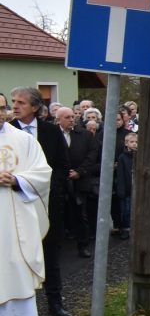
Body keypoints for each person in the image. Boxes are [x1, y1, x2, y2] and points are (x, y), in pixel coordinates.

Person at [8, 88, 72, 316]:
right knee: (17, 257)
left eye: (21, 102)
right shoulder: (8, 132)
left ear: (35, 107)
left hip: (47, 204)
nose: (15, 106)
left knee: (50, 255)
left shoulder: (51, 131)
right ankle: (22, 310)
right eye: (13, 102)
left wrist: (48, 192)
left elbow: (62, 165)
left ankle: (55, 303)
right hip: (13, 205)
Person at [0, 96, 52, 316]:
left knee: (15, 270)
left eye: (1, 107)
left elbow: (43, 173)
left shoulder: (24, 140)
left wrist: (18, 179)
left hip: (14, 220)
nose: (0, 113)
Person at [56, 106, 99, 258]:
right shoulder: (53, 135)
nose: (71, 119)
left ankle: (83, 245)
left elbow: (92, 154)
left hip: (79, 181)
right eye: (67, 117)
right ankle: (56, 248)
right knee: (58, 215)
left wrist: (79, 172)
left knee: (81, 215)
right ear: (58, 119)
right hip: (59, 181)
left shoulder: (85, 135)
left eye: (72, 117)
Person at [113, 132, 137, 240]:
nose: (134, 144)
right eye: (132, 142)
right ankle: (126, 228)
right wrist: (121, 190)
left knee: (135, 210)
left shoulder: (140, 155)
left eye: (136, 142)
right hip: (127, 189)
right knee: (126, 210)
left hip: (137, 189)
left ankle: (135, 228)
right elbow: (120, 175)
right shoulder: (122, 157)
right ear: (126, 143)